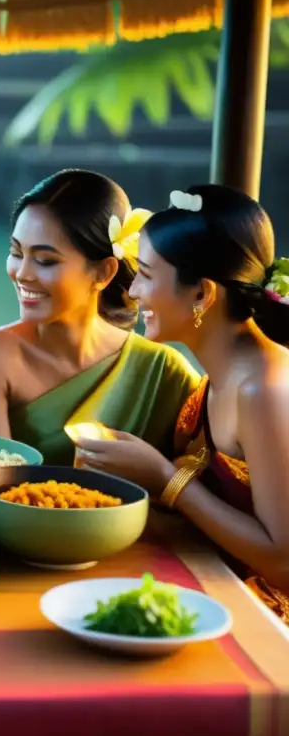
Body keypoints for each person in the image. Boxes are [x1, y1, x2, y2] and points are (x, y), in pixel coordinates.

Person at [71, 185, 289, 621]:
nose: (132, 292)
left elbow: (283, 564)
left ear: (202, 295)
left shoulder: (263, 391)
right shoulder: (226, 372)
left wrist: (165, 477)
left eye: (147, 275)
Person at [0, 169, 200, 465]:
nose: (22, 273)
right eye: (16, 252)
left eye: (45, 260)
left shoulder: (164, 372)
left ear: (103, 272)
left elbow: (202, 477)